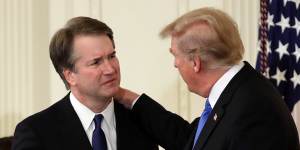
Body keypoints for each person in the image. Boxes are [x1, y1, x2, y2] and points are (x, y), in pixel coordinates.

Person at [115, 7, 300, 150]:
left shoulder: (253, 111)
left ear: (196, 62)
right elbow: (193, 141)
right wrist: (129, 98)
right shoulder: (238, 90)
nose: (175, 64)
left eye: (175, 55)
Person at [12, 16, 158, 150]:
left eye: (112, 56)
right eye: (96, 62)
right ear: (70, 75)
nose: (110, 69)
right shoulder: (36, 132)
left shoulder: (140, 121)